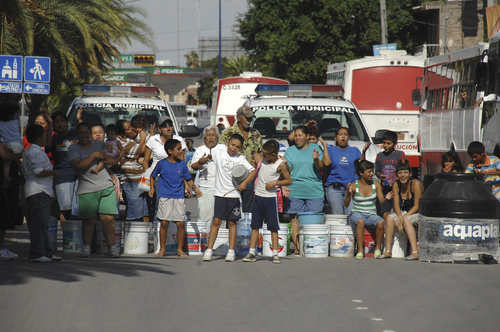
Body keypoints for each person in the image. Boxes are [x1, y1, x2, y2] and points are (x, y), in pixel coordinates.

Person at [68, 122, 120, 258]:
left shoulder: (98, 144)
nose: (84, 135)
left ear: (90, 135)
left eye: (86, 132)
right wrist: (93, 156)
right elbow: (78, 167)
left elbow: (112, 160)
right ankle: (86, 247)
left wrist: (112, 159)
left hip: (106, 186)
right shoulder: (73, 148)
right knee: (89, 220)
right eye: (81, 132)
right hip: (87, 188)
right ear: (77, 134)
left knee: (108, 219)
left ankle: (112, 248)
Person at [203, 133, 256, 262]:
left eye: (237, 147)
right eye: (232, 145)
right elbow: (205, 158)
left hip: (234, 195)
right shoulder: (219, 153)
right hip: (220, 194)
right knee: (216, 222)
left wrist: (244, 183)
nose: (234, 148)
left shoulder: (241, 159)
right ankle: (209, 250)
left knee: (232, 222)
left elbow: (253, 171)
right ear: (227, 143)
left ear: (241, 148)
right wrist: (203, 159)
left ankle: (231, 252)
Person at [149, 139, 201, 257]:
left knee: (180, 223)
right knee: (164, 223)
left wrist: (195, 188)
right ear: (170, 151)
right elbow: (152, 176)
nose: (180, 151)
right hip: (165, 196)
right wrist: (152, 189)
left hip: (179, 197)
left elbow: (188, 178)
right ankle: (162, 249)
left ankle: (180, 249)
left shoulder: (182, 164)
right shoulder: (162, 164)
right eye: (178, 149)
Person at [242, 140, 292, 264]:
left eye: (266, 155)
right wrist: (255, 158)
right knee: (255, 226)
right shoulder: (262, 158)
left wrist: (276, 183)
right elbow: (255, 154)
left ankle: (275, 254)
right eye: (263, 153)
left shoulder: (280, 164)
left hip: (270, 199)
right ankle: (252, 252)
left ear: (274, 154)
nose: (263, 156)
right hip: (258, 197)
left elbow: (288, 180)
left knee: (273, 227)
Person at [23, 124, 62, 262]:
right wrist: (54, 172)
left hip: (40, 191)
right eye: (44, 135)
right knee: (38, 224)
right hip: (38, 191)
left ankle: (47, 252)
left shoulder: (32, 151)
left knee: (43, 224)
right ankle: (37, 254)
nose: (46, 137)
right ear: (39, 138)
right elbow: (38, 171)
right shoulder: (36, 152)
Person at [283, 125, 324, 255]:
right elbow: (288, 171)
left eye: (300, 135)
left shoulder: (316, 148)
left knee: (314, 221)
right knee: (294, 219)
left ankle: (312, 245)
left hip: (314, 190)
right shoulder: (290, 151)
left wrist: (316, 159)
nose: (297, 138)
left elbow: (321, 168)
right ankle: (297, 246)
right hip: (294, 189)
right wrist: (284, 165)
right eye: (295, 136)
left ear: (307, 137)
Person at [345, 159, 393, 260]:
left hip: (371, 214)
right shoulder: (354, 185)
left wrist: (386, 199)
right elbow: (346, 204)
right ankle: (360, 251)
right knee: (360, 221)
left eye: (372, 171)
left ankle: (378, 249)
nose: (372, 174)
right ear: (361, 173)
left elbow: (381, 201)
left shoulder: (376, 184)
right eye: (369, 171)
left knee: (380, 222)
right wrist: (348, 194)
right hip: (357, 213)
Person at [143, 116, 187, 221]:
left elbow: (183, 164)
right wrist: (148, 176)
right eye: (164, 125)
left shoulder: (179, 140)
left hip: (175, 179)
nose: (168, 127)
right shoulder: (153, 140)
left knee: (175, 208)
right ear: (160, 129)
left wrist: (186, 184)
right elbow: (145, 161)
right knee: (159, 207)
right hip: (157, 178)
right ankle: (156, 233)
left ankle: (170, 235)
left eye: (170, 125)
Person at [219, 106, 262, 213]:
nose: (248, 121)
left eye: (250, 118)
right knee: (232, 209)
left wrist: (258, 155)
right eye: (246, 118)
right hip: (232, 178)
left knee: (248, 210)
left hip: (250, 178)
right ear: (238, 117)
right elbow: (221, 153)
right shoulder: (228, 133)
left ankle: (245, 229)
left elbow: (261, 152)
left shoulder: (256, 134)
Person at [378, 159, 424, 260]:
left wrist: (402, 218)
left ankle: (414, 252)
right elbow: (396, 204)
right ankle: (388, 251)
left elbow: (417, 206)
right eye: (400, 173)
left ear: (410, 174)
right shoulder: (396, 184)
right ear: (397, 175)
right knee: (390, 218)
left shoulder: (415, 183)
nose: (403, 175)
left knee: (406, 220)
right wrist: (399, 217)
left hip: (417, 213)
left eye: (406, 173)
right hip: (403, 212)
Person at [323, 127, 370, 215]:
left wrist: (363, 152)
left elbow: (361, 165)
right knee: (338, 217)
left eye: (346, 134)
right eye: (340, 135)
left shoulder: (355, 150)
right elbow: (325, 163)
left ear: (348, 137)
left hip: (351, 188)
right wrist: (325, 146)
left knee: (351, 215)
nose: (343, 137)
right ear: (336, 138)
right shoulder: (330, 150)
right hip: (334, 189)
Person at [191, 125, 226, 228]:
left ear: (217, 137)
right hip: (206, 188)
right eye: (208, 135)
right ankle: (203, 241)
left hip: (222, 189)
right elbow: (194, 166)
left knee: (221, 218)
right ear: (204, 138)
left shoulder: (223, 148)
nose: (211, 137)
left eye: (213, 135)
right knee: (205, 217)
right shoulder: (200, 150)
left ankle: (219, 241)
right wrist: (202, 161)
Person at [117, 119, 150, 222]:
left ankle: (143, 236)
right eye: (128, 129)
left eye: (131, 126)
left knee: (145, 212)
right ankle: (132, 236)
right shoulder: (123, 143)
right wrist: (146, 138)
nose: (132, 129)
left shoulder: (135, 140)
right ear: (122, 134)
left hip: (142, 179)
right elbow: (141, 149)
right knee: (135, 214)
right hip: (131, 182)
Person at [50, 111, 78, 223]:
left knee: (78, 209)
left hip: (77, 175)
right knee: (65, 208)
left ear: (67, 123)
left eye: (61, 121)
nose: (59, 124)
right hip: (62, 177)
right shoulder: (53, 139)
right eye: (56, 122)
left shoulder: (74, 134)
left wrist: (79, 119)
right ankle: (67, 238)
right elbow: (47, 147)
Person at [375, 130, 406, 219]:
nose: (385, 146)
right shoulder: (379, 156)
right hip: (385, 190)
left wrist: (398, 179)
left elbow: (405, 169)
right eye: (384, 143)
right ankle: (386, 231)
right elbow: (376, 171)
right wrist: (380, 175)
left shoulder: (400, 155)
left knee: (398, 212)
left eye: (388, 143)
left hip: (397, 189)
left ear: (395, 143)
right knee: (385, 213)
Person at [0, 143, 23, 260]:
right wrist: (18, 154)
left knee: (5, 218)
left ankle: (1, 247)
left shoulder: (8, 140)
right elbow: (6, 157)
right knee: (2, 217)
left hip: (9, 183)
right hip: (4, 183)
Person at [0, 102, 23, 189]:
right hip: (19, 144)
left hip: (9, 145)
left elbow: (5, 156)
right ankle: (23, 173)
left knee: (7, 164)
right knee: (17, 160)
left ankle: (6, 177)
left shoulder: (1, 124)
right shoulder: (15, 122)